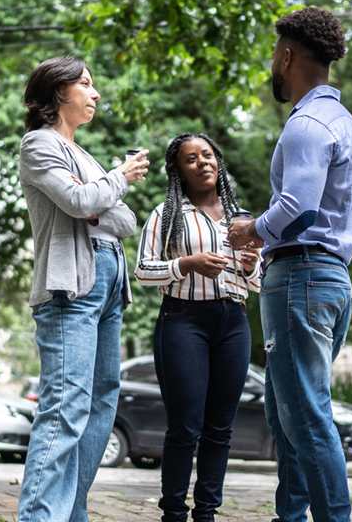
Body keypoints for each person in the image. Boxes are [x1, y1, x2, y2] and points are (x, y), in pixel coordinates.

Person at [227, 7, 352, 522]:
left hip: (303, 281)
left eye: (274, 54)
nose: (273, 63)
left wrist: (251, 230)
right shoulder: (348, 128)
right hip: (330, 279)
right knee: (287, 411)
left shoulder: (307, 124)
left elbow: (299, 208)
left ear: (286, 56)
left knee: (305, 415)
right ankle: (289, 517)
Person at [17, 55, 150, 522]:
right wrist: (117, 181)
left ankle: (71, 513)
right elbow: (79, 201)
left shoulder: (86, 157)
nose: (95, 94)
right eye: (86, 85)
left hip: (111, 281)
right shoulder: (38, 145)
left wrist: (97, 197)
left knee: (100, 402)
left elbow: (125, 221)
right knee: (65, 405)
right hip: (70, 286)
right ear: (58, 93)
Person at [135, 132, 261, 522]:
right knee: (185, 427)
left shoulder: (245, 220)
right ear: (179, 171)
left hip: (234, 322)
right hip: (183, 320)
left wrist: (252, 265)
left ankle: (207, 513)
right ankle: (173, 512)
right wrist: (186, 265)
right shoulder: (166, 215)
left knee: (220, 428)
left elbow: (258, 281)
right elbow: (142, 270)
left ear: (218, 162)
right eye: (191, 159)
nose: (202, 162)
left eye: (207, 155)